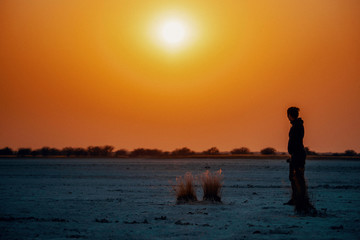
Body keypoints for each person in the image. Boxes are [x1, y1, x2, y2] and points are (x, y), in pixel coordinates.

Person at [284, 107, 315, 214]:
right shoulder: (297, 125)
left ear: (290, 115)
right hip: (296, 154)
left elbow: (295, 141)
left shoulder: (297, 126)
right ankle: (296, 198)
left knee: (297, 177)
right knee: (294, 177)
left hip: (297, 154)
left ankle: (299, 199)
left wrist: (293, 154)